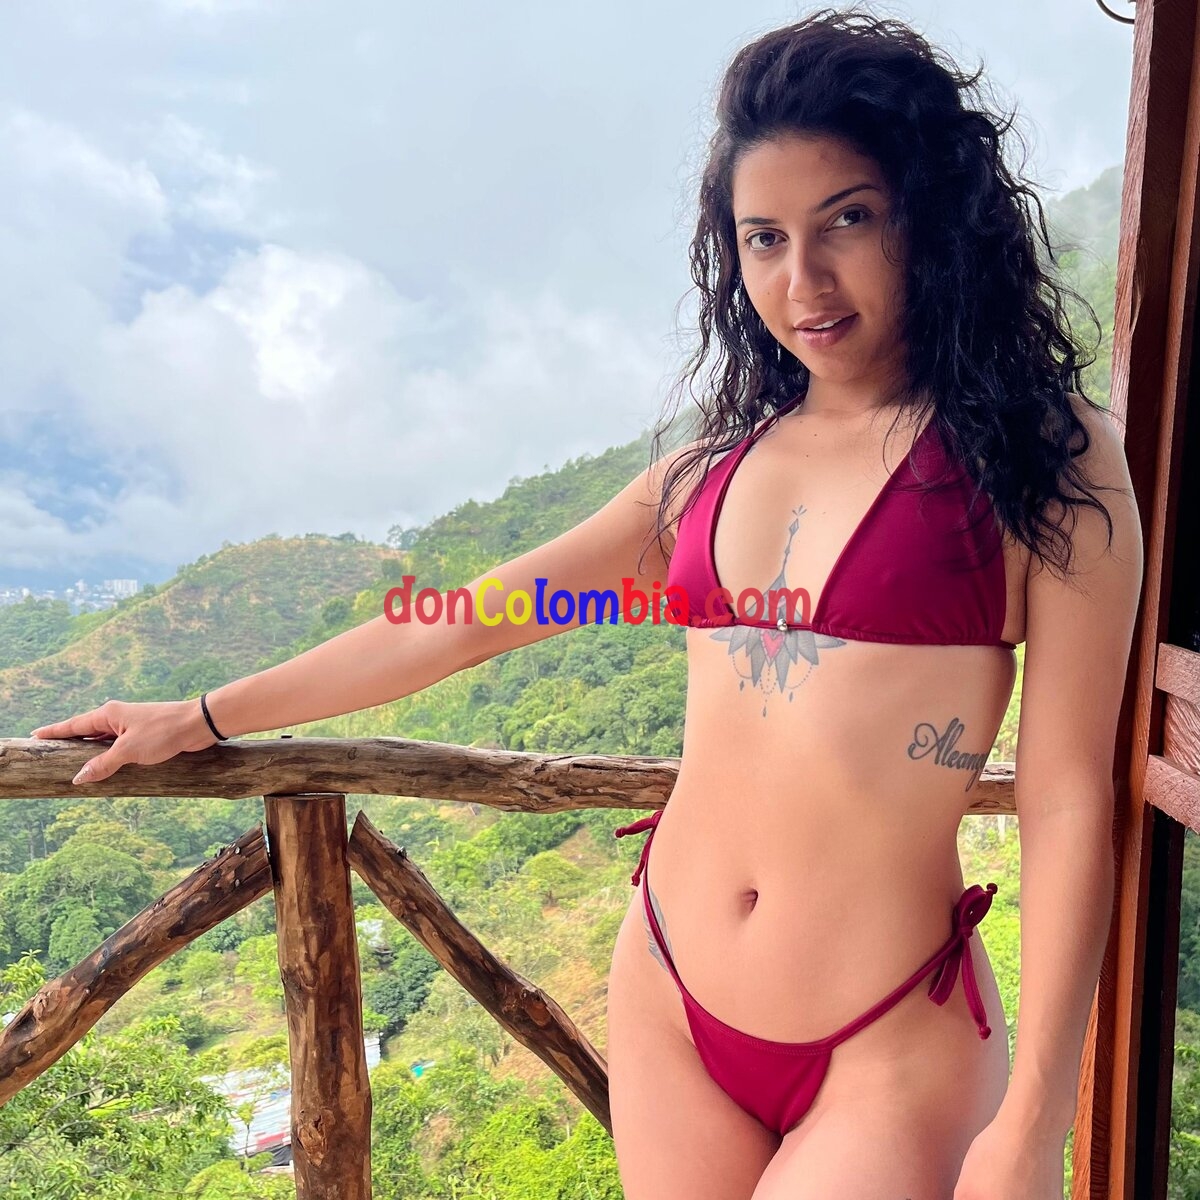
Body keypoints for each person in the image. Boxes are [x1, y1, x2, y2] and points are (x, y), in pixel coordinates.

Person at [30, 6, 1143, 1198]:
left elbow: (1067, 795)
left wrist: (1035, 1124)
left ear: (932, 215)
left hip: (888, 1037)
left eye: (848, 220)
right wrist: (203, 715)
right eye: (764, 238)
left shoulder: (1046, 460)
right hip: (668, 995)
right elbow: (458, 618)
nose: (802, 280)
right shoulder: (702, 476)